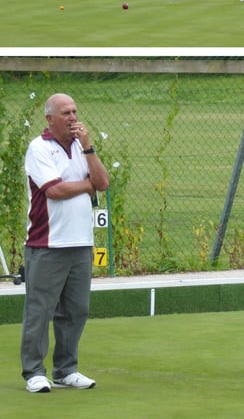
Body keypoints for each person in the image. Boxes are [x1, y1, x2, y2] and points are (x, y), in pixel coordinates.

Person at [21, 93, 110, 393]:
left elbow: (104, 182)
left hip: (81, 243)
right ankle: (34, 371)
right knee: (40, 310)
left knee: (76, 310)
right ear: (50, 118)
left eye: (75, 111)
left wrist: (88, 146)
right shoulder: (39, 148)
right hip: (47, 244)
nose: (72, 117)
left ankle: (65, 369)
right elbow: (54, 190)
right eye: (65, 113)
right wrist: (88, 185)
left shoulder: (82, 148)